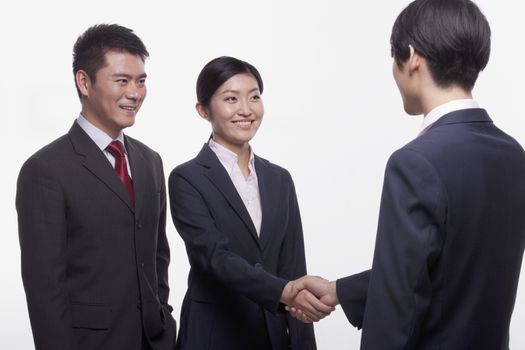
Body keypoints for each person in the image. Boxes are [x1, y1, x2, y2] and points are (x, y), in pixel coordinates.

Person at [290, 0, 525, 349]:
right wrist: (341, 291)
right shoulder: (513, 153)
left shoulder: (415, 161)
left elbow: (398, 304)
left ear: (412, 56)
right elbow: (449, 273)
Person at [16, 24, 176, 350]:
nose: (134, 93)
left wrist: (165, 321)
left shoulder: (150, 161)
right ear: (84, 82)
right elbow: (46, 290)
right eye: (122, 80)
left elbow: (158, 258)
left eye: (141, 81)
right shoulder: (44, 170)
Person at [168, 56, 330, 349]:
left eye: (254, 97)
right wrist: (285, 291)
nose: (246, 109)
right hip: (213, 334)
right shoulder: (187, 178)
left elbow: (293, 267)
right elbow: (214, 258)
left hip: (272, 336)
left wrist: (304, 343)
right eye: (231, 98)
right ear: (203, 109)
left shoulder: (280, 179)